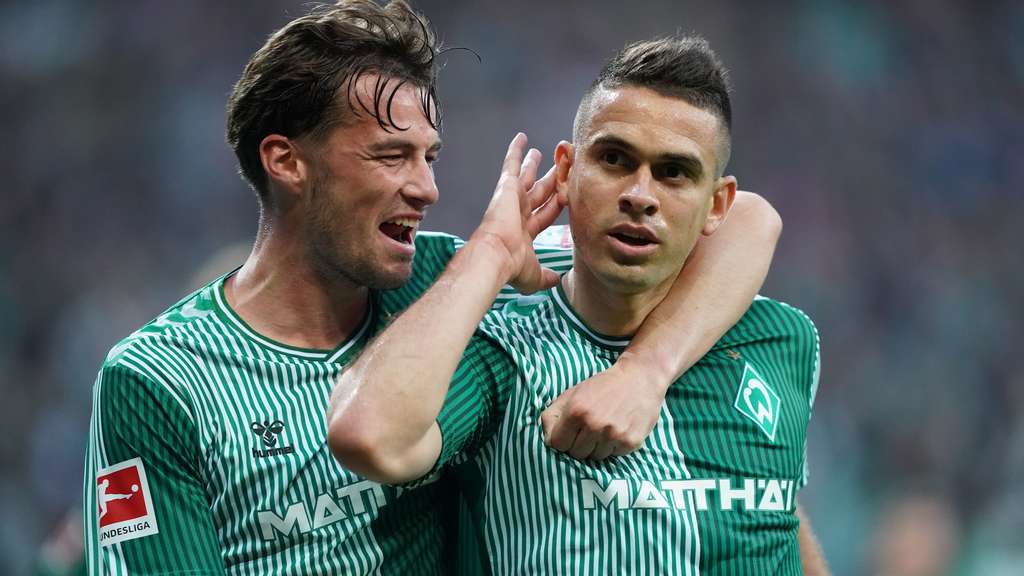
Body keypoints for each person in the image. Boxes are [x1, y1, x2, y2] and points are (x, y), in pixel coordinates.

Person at [82, 1, 782, 574]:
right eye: (392, 156)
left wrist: (643, 372)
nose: (427, 188)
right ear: (287, 161)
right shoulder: (156, 381)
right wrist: (491, 253)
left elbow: (746, 222)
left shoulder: (455, 282)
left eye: (430, 157)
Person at [328, 35, 827, 574]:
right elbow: (369, 436)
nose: (640, 195)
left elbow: (781, 524)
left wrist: (643, 373)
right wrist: (492, 248)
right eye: (614, 159)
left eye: (674, 172)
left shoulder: (785, 338)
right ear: (566, 172)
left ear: (717, 204)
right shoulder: (503, 349)